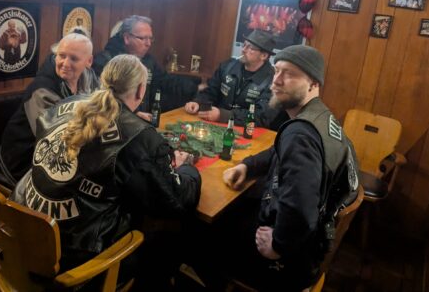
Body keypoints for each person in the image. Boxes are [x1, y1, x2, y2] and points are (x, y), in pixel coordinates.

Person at [11, 54, 201, 291]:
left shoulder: (65, 103)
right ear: (140, 90)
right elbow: (176, 201)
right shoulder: (140, 138)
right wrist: (186, 167)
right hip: (74, 258)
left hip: (24, 230)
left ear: (104, 80)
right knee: (166, 238)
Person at [214, 45, 359, 292]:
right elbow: (278, 150)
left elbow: (300, 210)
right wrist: (248, 166)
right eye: (276, 71)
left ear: (314, 83)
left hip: (290, 264)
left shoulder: (300, 136)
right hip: (312, 243)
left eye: (289, 74)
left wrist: (278, 246)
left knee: (202, 230)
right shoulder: (320, 117)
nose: (276, 81)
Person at [0, 33, 99, 184]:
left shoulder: (89, 77)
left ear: (88, 61)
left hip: (64, 154)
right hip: (23, 159)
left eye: (74, 58)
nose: (65, 63)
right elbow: (54, 140)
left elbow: (100, 108)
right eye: (62, 56)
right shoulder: (42, 90)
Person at [93, 15, 198, 120]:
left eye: (150, 38)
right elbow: (102, 97)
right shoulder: (106, 61)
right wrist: (134, 113)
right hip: (115, 121)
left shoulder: (148, 60)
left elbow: (165, 81)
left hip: (143, 120)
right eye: (143, 38)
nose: (148, 44)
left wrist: (195, 86)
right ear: (127, 38)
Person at [184, 30, 275, 126]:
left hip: (247, 130)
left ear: (264, 56)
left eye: (250, 48)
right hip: (216, 125)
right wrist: (198, 102)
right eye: (244, 45)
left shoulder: (272, 82)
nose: (243, 50)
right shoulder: (227, 67)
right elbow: (210, 92)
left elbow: (262, 116)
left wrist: (224, 115)